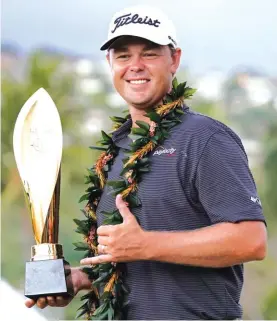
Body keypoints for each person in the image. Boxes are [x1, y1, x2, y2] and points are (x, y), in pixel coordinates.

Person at [25, 5, 267, 320]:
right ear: (109, 63)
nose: (135, 66)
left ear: (174, 60)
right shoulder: (116, 150)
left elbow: (250, 240)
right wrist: (81, 279)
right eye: (123, 55)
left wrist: (147, 245)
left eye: (149, 54)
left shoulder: (206, 139)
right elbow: (125, 257)